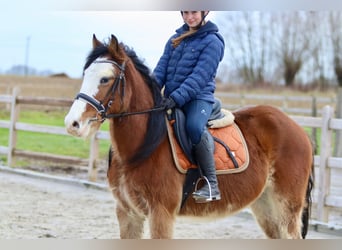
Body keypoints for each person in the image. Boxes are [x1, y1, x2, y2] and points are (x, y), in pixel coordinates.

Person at [153, 11, 225, 203]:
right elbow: (161, 70)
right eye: (186, 13)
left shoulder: (213, 42)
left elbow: (199, 77)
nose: (190, 17)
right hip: (172, 98)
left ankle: (211, 184)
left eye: (194, 12)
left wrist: (176, 98)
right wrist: (150, 91)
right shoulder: (175, 39)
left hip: (198, 98)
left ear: (204, 12)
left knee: (193, 127)